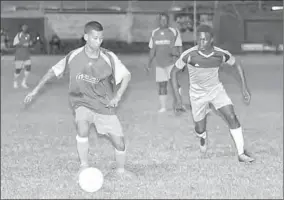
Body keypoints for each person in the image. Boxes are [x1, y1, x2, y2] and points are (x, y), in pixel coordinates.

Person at [24, 21, 133, 180]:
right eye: (95, 38)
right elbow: (52, 71)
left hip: (103, 105)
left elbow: (126, 75)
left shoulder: (108, 57)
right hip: (81, 102)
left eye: (101, 38)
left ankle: (121, 170)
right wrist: (35, 90)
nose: (99, 41)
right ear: (86, 37)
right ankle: (84, 165)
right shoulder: (73, 56)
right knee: (82, 126)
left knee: (120, 143)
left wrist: (117, 96)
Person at [171, 25, 254, 163]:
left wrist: (244, 88)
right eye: (198, 39)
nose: (200, 42)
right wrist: (177, 99)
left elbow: (237, 65)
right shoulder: (189, 55)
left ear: (211, 40)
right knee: (199, 128)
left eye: (204, 39)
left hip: (216, 90)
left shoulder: (220, 54)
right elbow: (173, 72)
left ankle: (241, 153)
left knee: (232, 116)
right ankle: (202, 137)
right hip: (197, 95)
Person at [146, 12, 185, 113]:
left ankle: (179, 103)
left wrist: (181, 61)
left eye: (165, 19)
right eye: (161, 20)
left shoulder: (174, 32)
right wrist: (149, 63)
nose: (163, 21)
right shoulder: (154, 33)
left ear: (168, 21)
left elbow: (179, 46)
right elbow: (152, 50)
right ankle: (163, 107)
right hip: (159, 64)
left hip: (172, 63)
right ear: (158, 21)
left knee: (175, 84)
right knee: (162, 85)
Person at [13, 24, 32, 89]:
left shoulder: (28, 35)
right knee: (18, 70)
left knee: (28, 68)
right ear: (21, 28)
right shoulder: (18, 35)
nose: (25, 28)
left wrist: (30, 43)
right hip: (19, 55)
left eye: (26, 27)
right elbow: (15, 44)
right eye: (24, 27)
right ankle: (15, 82)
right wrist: (23, 44)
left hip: (27, 55)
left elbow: (29, 43)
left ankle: (24, 82)